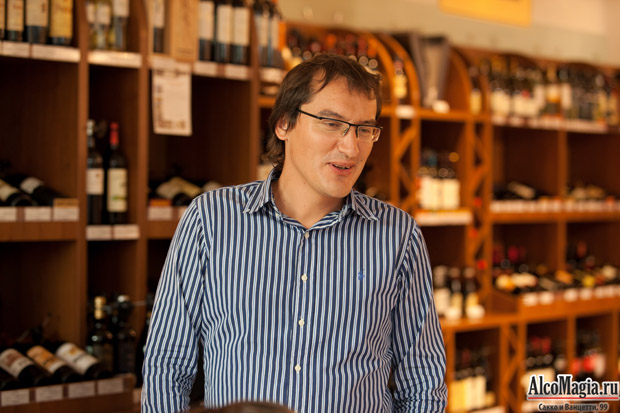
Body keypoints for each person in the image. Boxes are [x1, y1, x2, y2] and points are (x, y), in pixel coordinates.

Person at [142, 53, 447, 412]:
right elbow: (167, 365)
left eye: (365, 129)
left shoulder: (397, 235)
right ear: (284, 123)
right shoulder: (211, 220)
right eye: (331, 123)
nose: (351, 147)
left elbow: (423, 380)